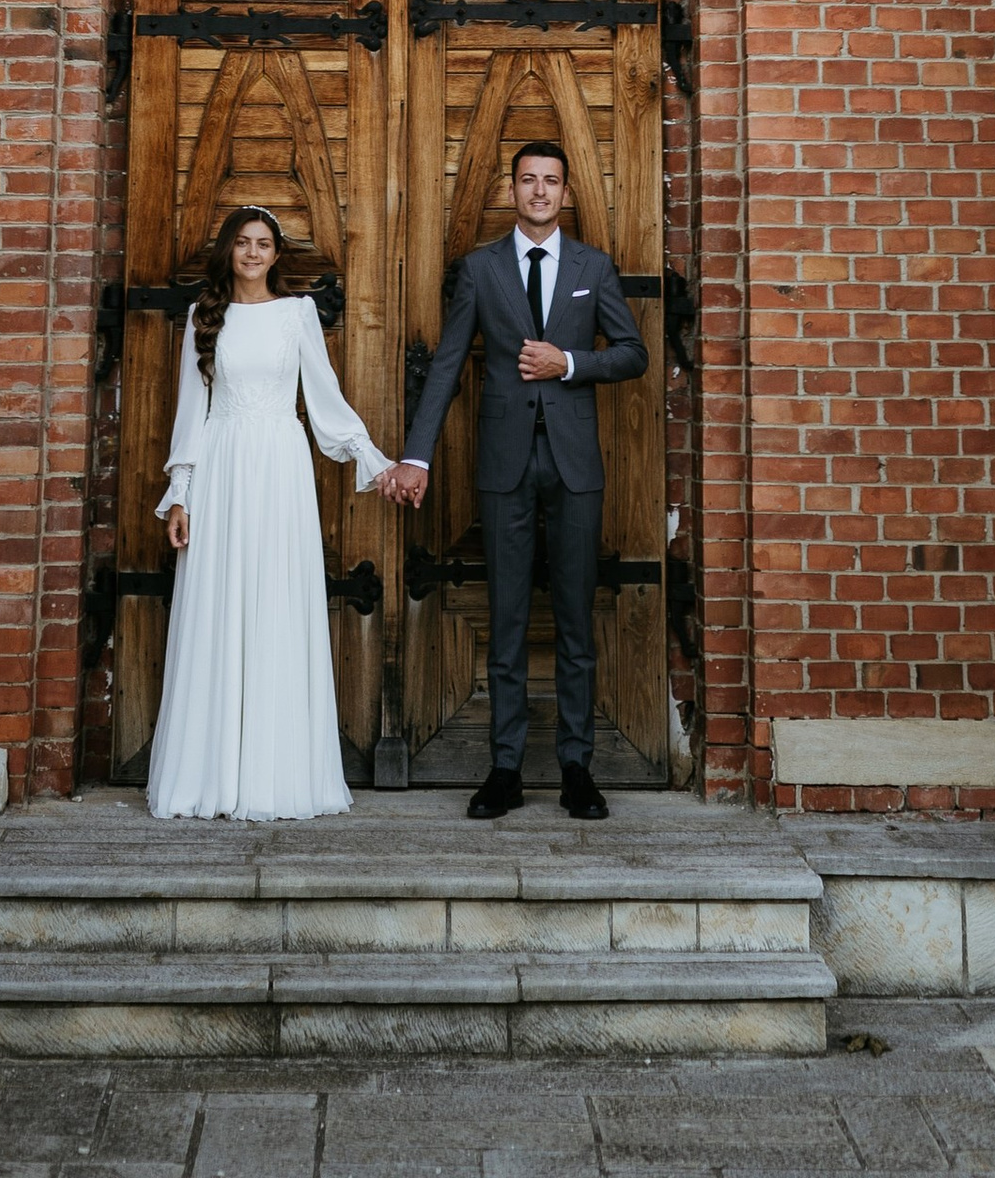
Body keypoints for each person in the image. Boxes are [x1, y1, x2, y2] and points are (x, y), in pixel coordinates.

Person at [378, 139, 647, 820]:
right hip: (504, 464)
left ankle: (577, 769)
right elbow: (447, 364)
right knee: (506, 619)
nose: (539, 191)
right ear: (512, 191)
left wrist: (570, 363)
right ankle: (505, 770)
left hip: (575, 464)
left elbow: (633, 353)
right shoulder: (480, 268)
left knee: (576, 620)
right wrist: (417, 455)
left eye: (551, 181)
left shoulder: (593, 266)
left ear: (566, 193)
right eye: (528, 180)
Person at [145, 201, 391, 819]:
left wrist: (370, 457)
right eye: (243, 243)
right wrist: (181, 494)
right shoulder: (204, 317)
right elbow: (191, 412)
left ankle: (275, 775)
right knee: (220, 603)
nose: (252, 253)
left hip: (280, 468)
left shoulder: (297, 314)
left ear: (276, 255)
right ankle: (211, 775)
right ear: (229, 251)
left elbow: (324, 397)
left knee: (276, 600)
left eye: (263, 244)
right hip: (223, 466)